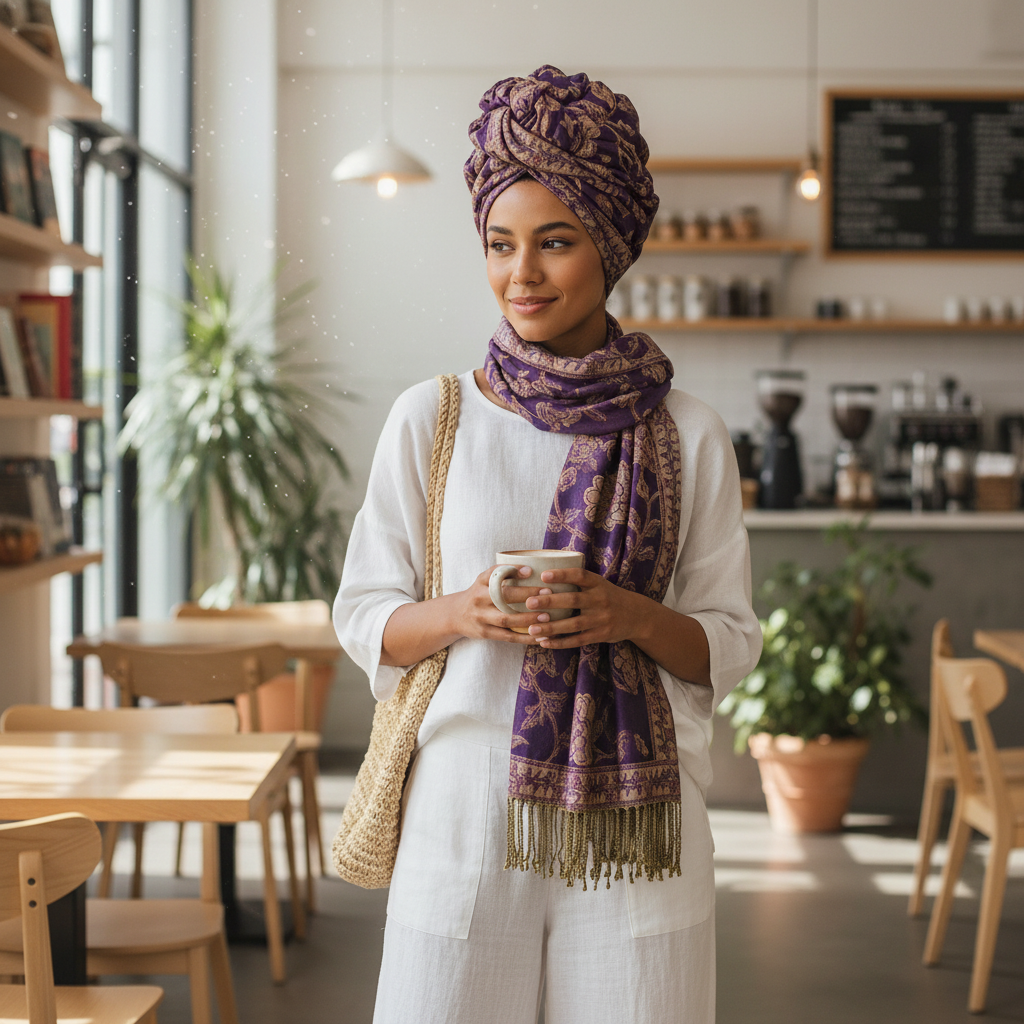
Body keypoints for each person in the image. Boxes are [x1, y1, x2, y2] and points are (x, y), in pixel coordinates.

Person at [334, 65, 762, 1024]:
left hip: (638, 827)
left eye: (554, 243)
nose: (519, 275)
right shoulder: (432, 417)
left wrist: (628, 616)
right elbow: (363, 616)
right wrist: (466, 612)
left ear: (609, 249)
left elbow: (730, 640)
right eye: (498, 244)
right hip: (463, 807)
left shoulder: (687, 431)